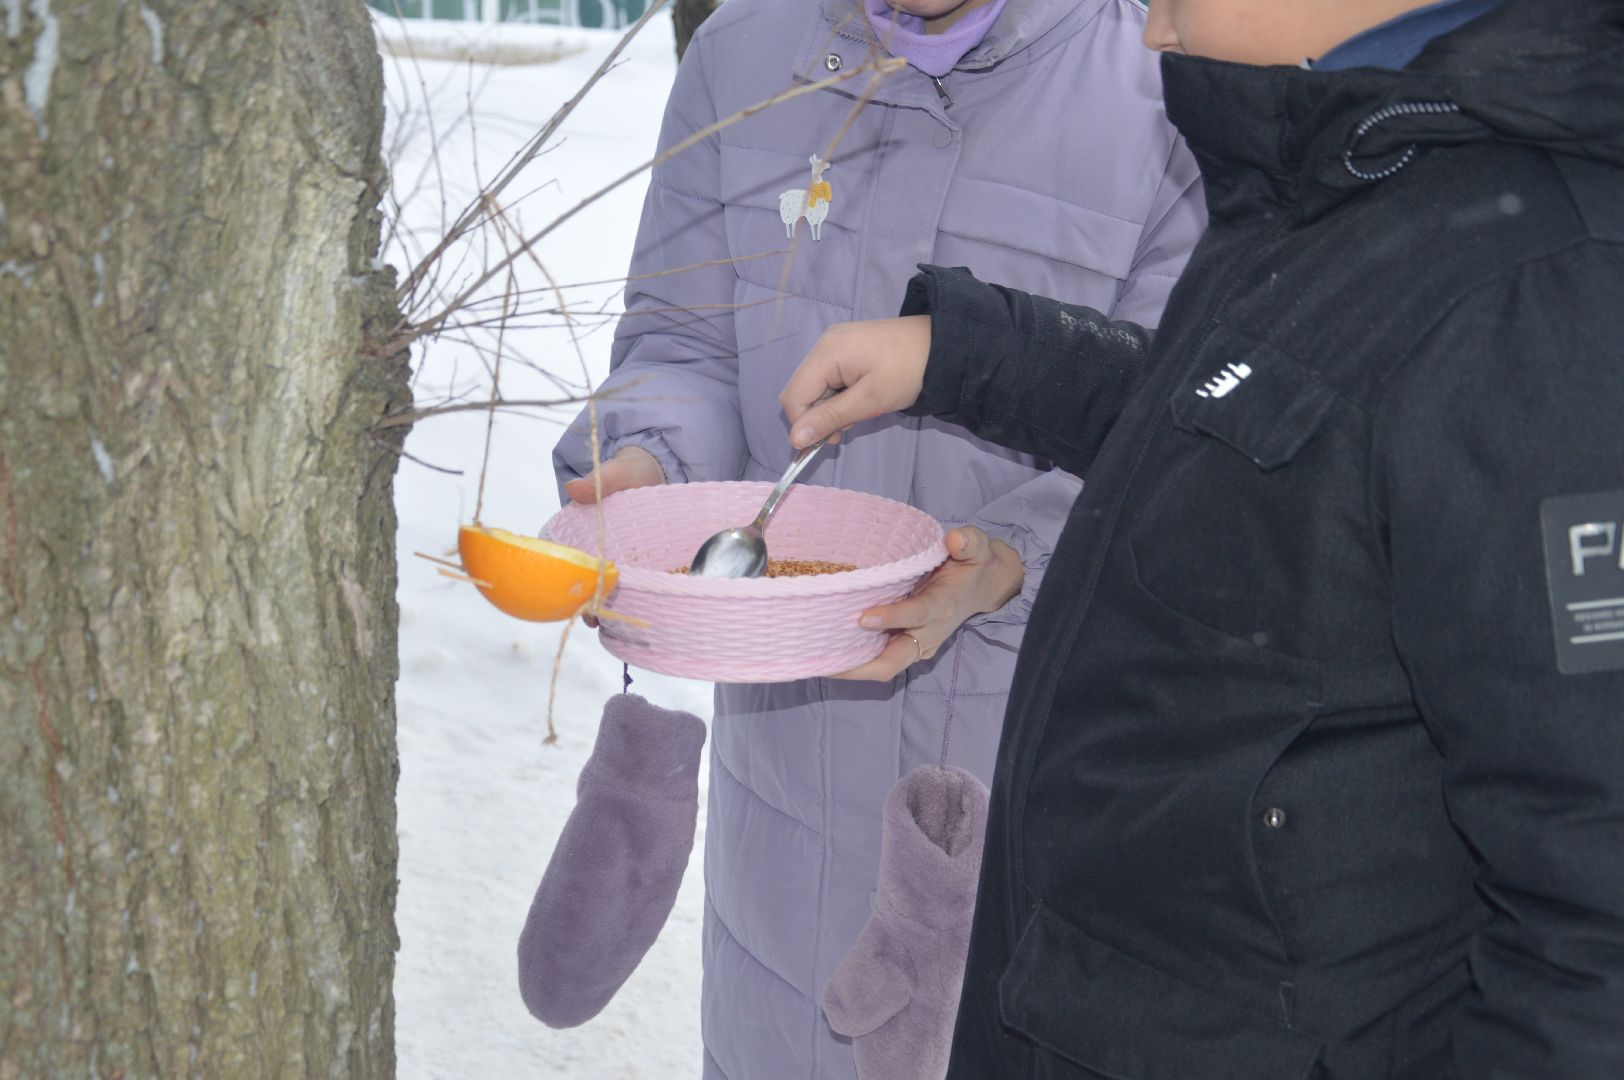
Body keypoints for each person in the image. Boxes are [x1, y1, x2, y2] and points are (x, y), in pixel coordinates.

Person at [779, 0, 1624, 1075]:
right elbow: (1282, 438)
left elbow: (1597, 924)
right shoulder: (1358, 168)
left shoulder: (1541, 291)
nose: (1144, 28)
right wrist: (977, 351)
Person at [550, 0, 1206, 1075]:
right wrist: (649, 461)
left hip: (1037, 761)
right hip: (786, 768)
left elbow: (1190, 422)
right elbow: (679, 339)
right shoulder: (744, 53)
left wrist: (1010, 561)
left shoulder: (1165, 75)